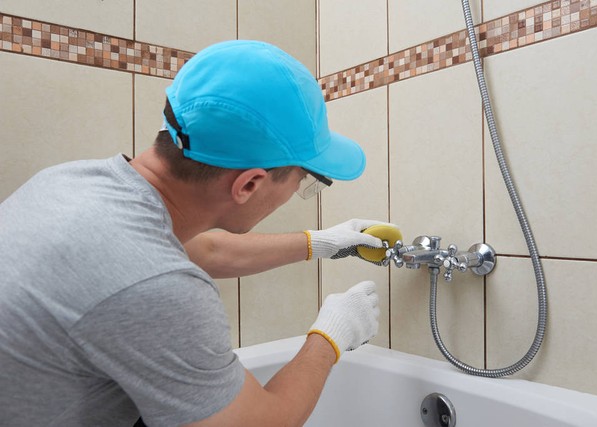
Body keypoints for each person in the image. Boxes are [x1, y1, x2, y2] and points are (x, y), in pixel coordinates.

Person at [0, 40, 393, 426]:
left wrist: (323, 243)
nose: (296, 191)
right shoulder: (156, 286)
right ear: (249, 184)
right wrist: (331, 335)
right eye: (302, 178)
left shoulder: (72, 182)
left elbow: (201, 251)